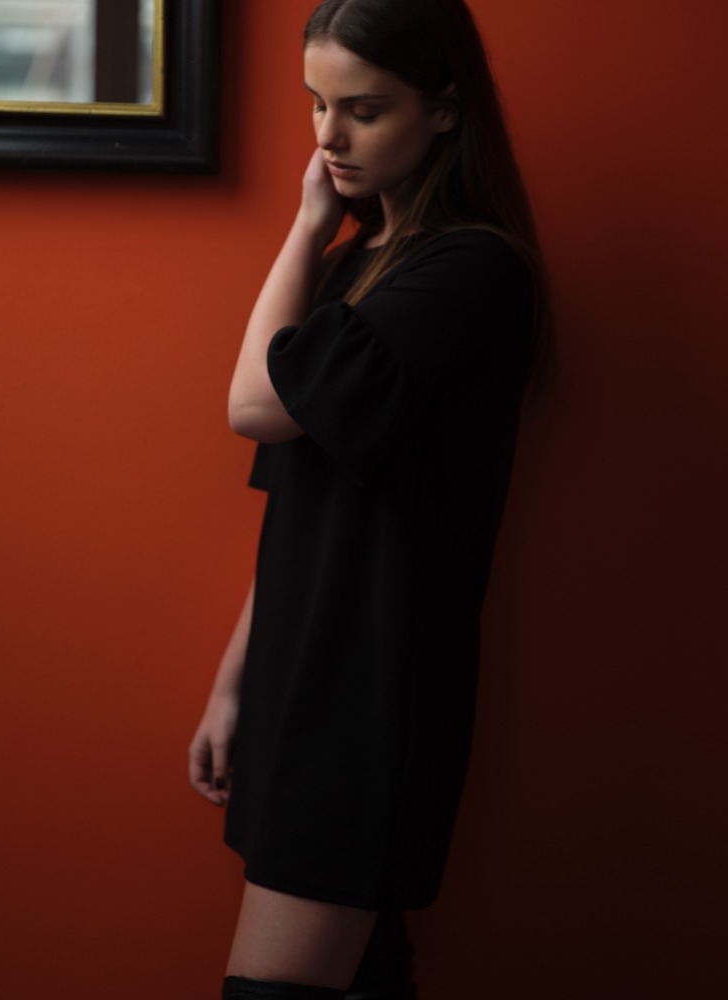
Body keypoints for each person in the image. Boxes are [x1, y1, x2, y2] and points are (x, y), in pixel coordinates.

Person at [189, 1, 550, 997]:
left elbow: (253, 406)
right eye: (317, 103)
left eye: (363, 109)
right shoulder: (359, 269)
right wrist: (235, 684)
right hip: (304, 677)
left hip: (368, 693)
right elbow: (300, 511)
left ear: (444, 111)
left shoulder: (470, 270)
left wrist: (307, 222)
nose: (328, 136)